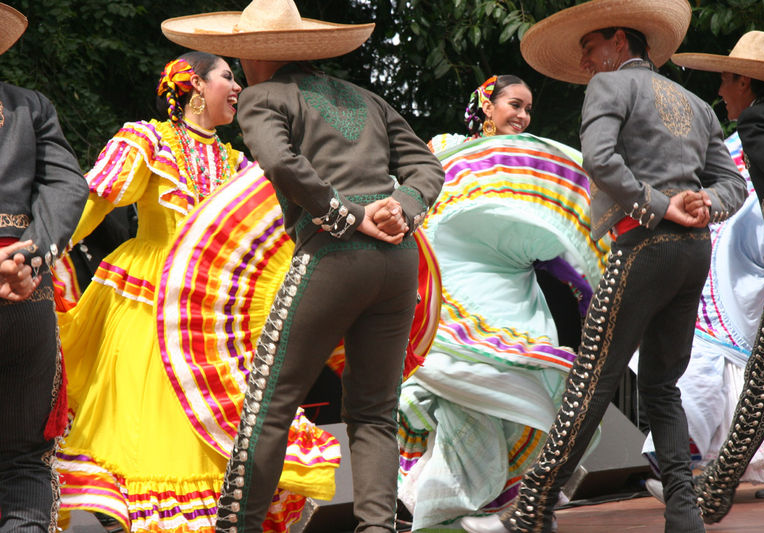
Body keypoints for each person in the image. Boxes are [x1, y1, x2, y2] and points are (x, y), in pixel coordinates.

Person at [459, 1, 749, 532]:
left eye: (590, 48)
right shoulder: (694, 102)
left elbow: (600, 159)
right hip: (692, 252)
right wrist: (704, 202)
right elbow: (732, 184)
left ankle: (533, 511)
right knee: (662, 386)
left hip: (642, 244)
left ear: (620, 40)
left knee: (592, 379)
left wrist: (663, 206)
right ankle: (684, 515)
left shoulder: (610, 87)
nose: (587, 60)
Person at [161, 1, 446, 532]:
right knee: (374, 410)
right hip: (399, 260)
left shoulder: (263, 96)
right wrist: (401, 209)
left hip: (333, 254)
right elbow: (427, 167)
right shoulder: (368, 98)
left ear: (254, 57)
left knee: (270, 401)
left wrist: (349, 216)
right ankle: (377, 528)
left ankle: (237, 528)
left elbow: (280, 162)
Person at [55, 51, 339, 533]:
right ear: (192, 84)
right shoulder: (148, 139)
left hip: (210, 313)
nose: (237, 88)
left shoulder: (237, 163)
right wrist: (42, 248)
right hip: (147, 297)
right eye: (228, 76)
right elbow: (93, 201)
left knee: (210, 427)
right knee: (144, 428)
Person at [396, 74, 610, 531]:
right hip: (455, 291)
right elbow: (418, 210)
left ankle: (494, 507)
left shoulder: (530, 162)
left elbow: (554, 236)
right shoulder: (446, 148)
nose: (523, 116)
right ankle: (455, 508)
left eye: (528, 109)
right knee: (464, 398)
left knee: (524, 396)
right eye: (514, 104)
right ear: (486, 106)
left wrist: (590, 287)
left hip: (516, 295)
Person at [668, 29, 764, 523]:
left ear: (745, 80)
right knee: (763, 384)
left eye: (726, 80)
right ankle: (711, 490)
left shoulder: (759, 118)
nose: (721, 91)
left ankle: (710, 495)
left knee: (762, 387)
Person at [0, 4, 89, 532]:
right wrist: (30, 255)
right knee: (21, 461)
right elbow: (67, 185)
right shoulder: (29, 106)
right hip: (26, 288)